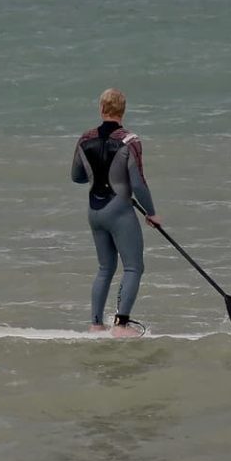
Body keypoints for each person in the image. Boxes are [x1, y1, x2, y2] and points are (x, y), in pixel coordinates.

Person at [70, 88, 161, 337]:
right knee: (133, 267)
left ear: (101, 109)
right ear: (123, 110)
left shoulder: (84, 139)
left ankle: (96, 324)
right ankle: (121, 325)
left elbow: (76, 176)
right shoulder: (130, 140)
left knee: (105, 268)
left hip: (94, 212)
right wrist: (151, 213)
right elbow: (139, 183)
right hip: (119, 211)